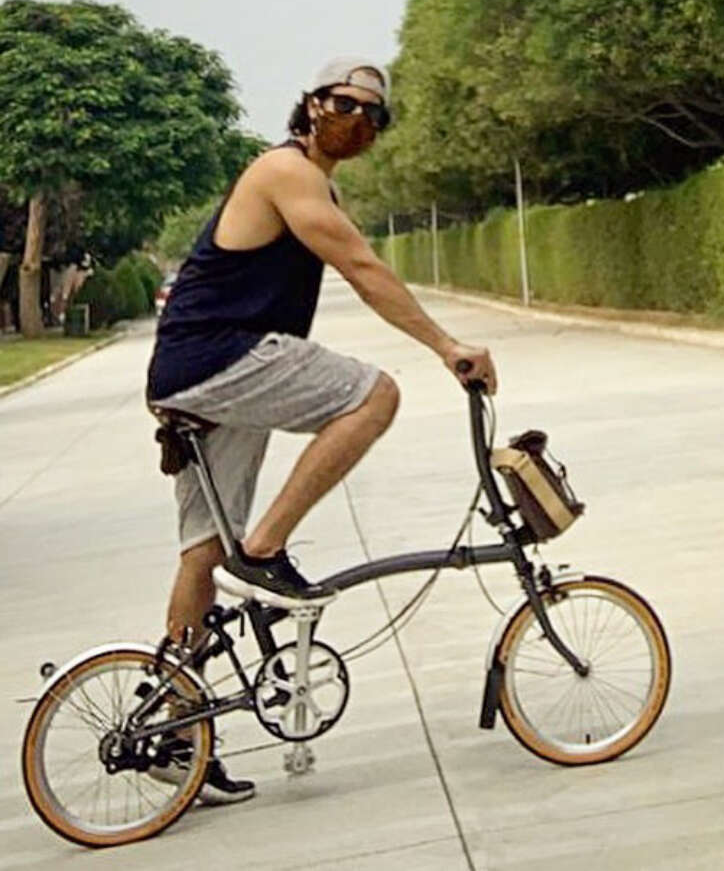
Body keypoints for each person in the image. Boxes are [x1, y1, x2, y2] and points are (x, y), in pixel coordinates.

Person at [146, 58, 497, 802]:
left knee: (203, 553)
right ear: (310, 103)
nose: (357, 118)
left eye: (374, 114)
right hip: (220, 356)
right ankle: (267, 549)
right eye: (345, 102)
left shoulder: (313, 181)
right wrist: (447, 346)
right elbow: (362, 267)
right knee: (375, 396)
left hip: (200, 371)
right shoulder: (284, 171)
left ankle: (171, 731)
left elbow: (358, 263)